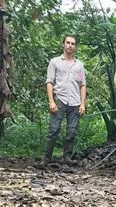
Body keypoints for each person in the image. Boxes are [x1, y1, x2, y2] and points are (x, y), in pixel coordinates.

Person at [44, 35, 86, 167]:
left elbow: (82, 84)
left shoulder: (79, 65)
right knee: (54, 129)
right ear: (63, 44)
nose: (70, 45)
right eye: (67, 43)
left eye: (73, 43)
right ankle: (47, 158)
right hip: (60, 99)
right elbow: (50, 82)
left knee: (72, 131)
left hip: (75, 101)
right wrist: (51, 101)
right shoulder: (55, 62)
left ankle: (67, 157)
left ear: (75, 47)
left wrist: (83, 103)